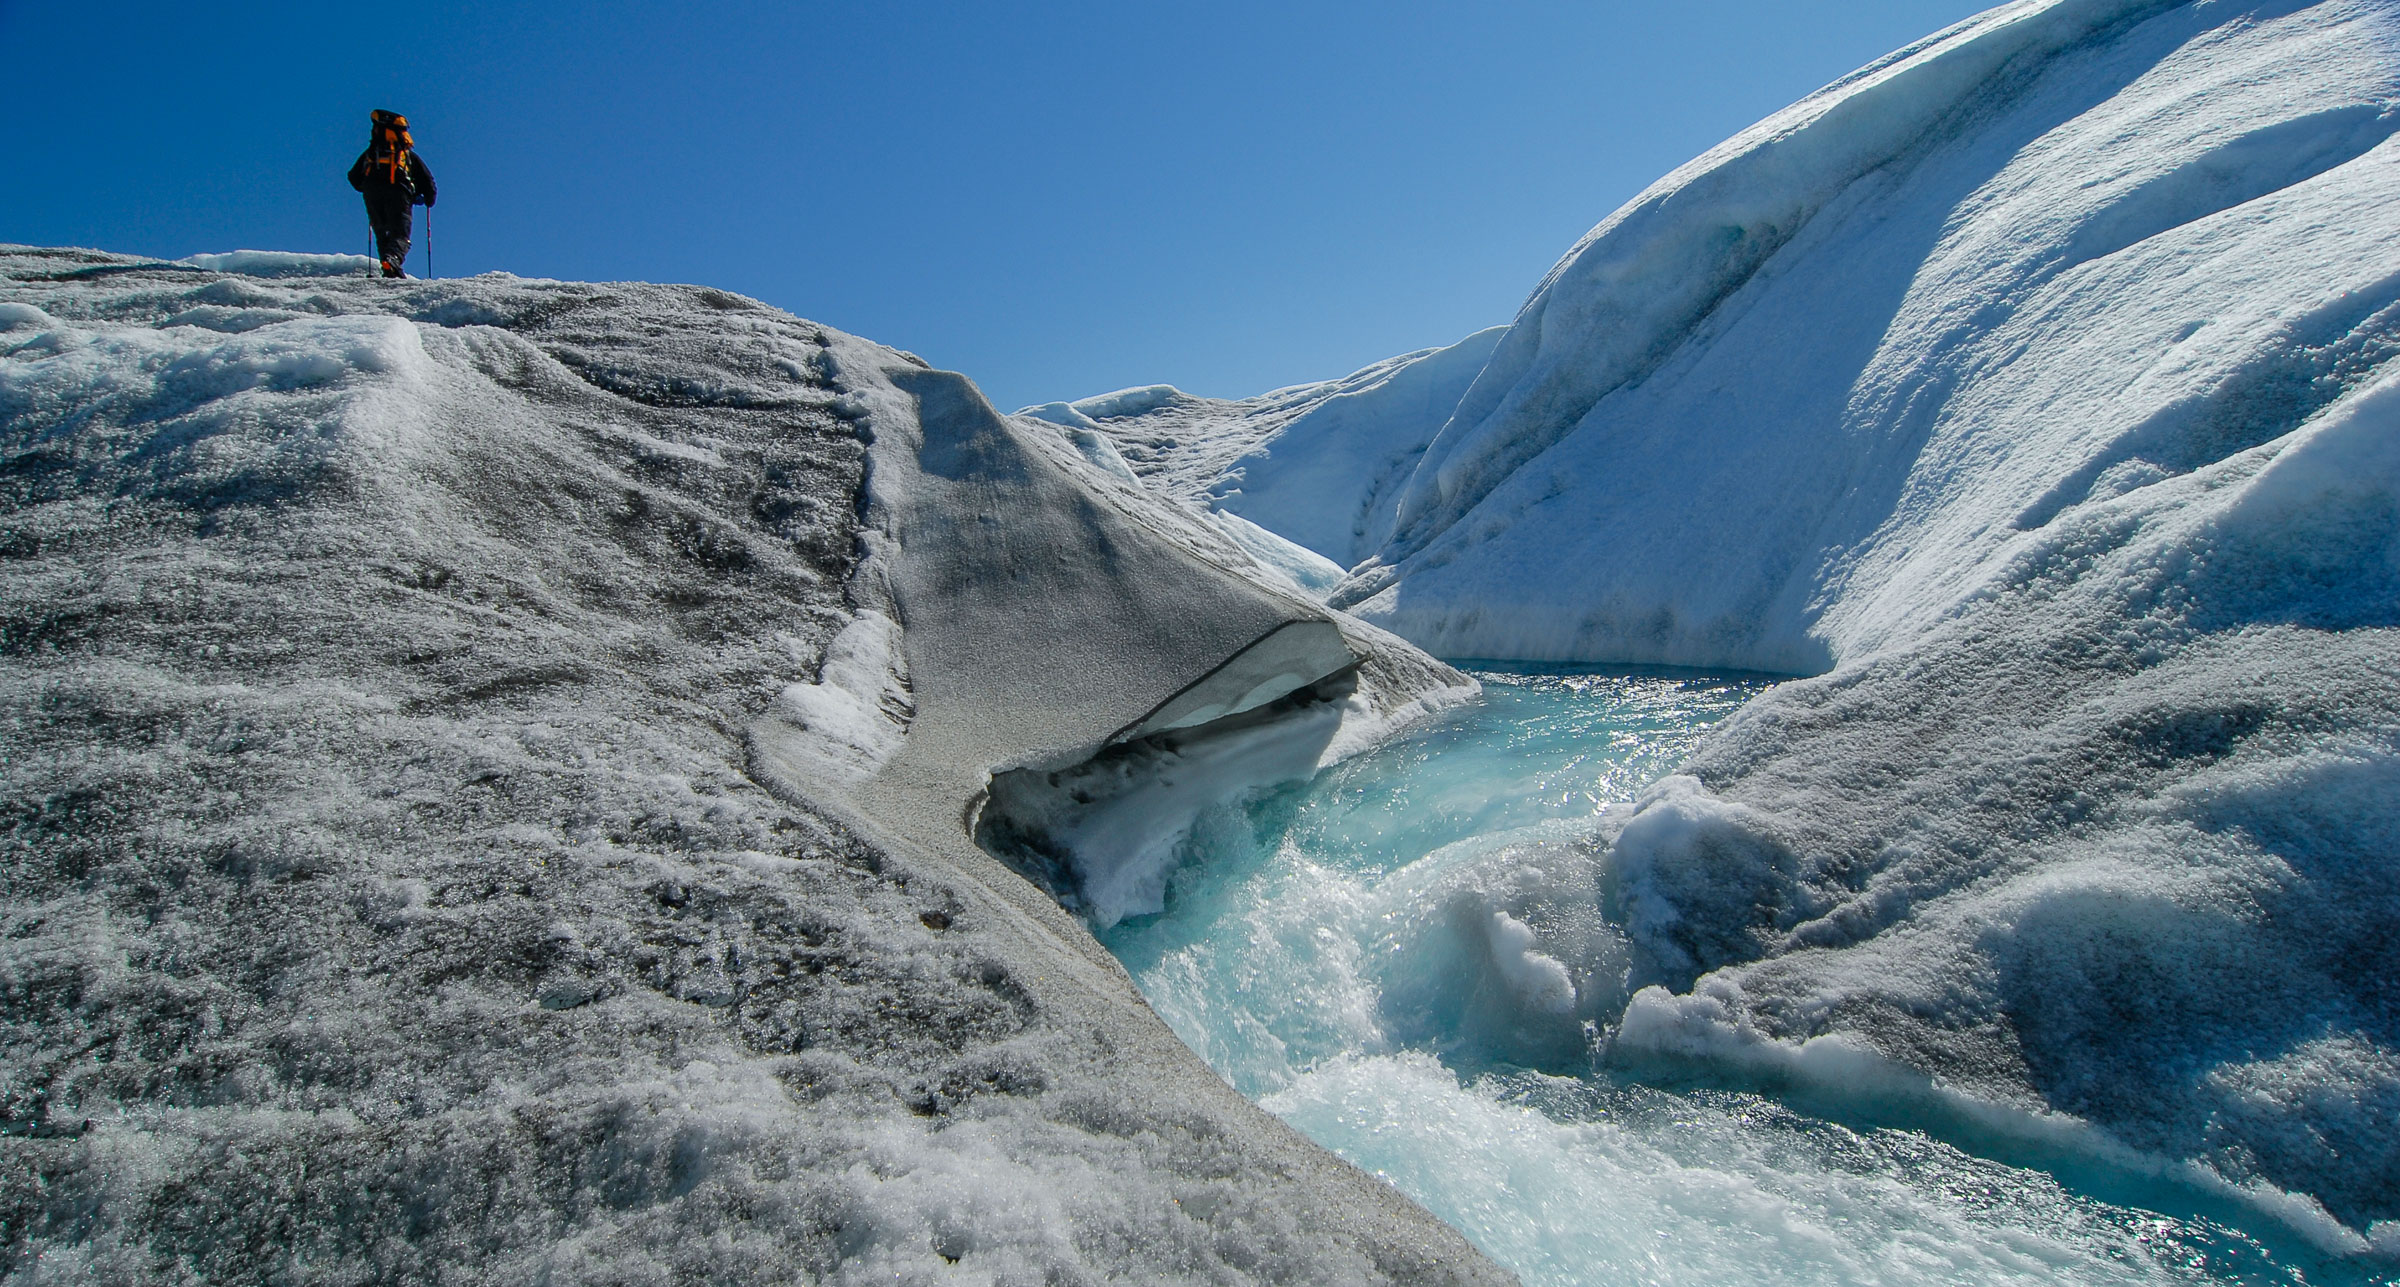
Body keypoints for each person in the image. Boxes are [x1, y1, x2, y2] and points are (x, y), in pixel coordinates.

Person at [348, 110, 436, 279]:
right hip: (399, 193)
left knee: (382, 233)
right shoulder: (407, 156)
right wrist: (427, 199)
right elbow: (428, 181)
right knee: (400, 234)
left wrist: (365, 188)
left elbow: (353, 176)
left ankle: (389, 269)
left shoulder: (371, 154)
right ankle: (392, 260)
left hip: (372, 194)